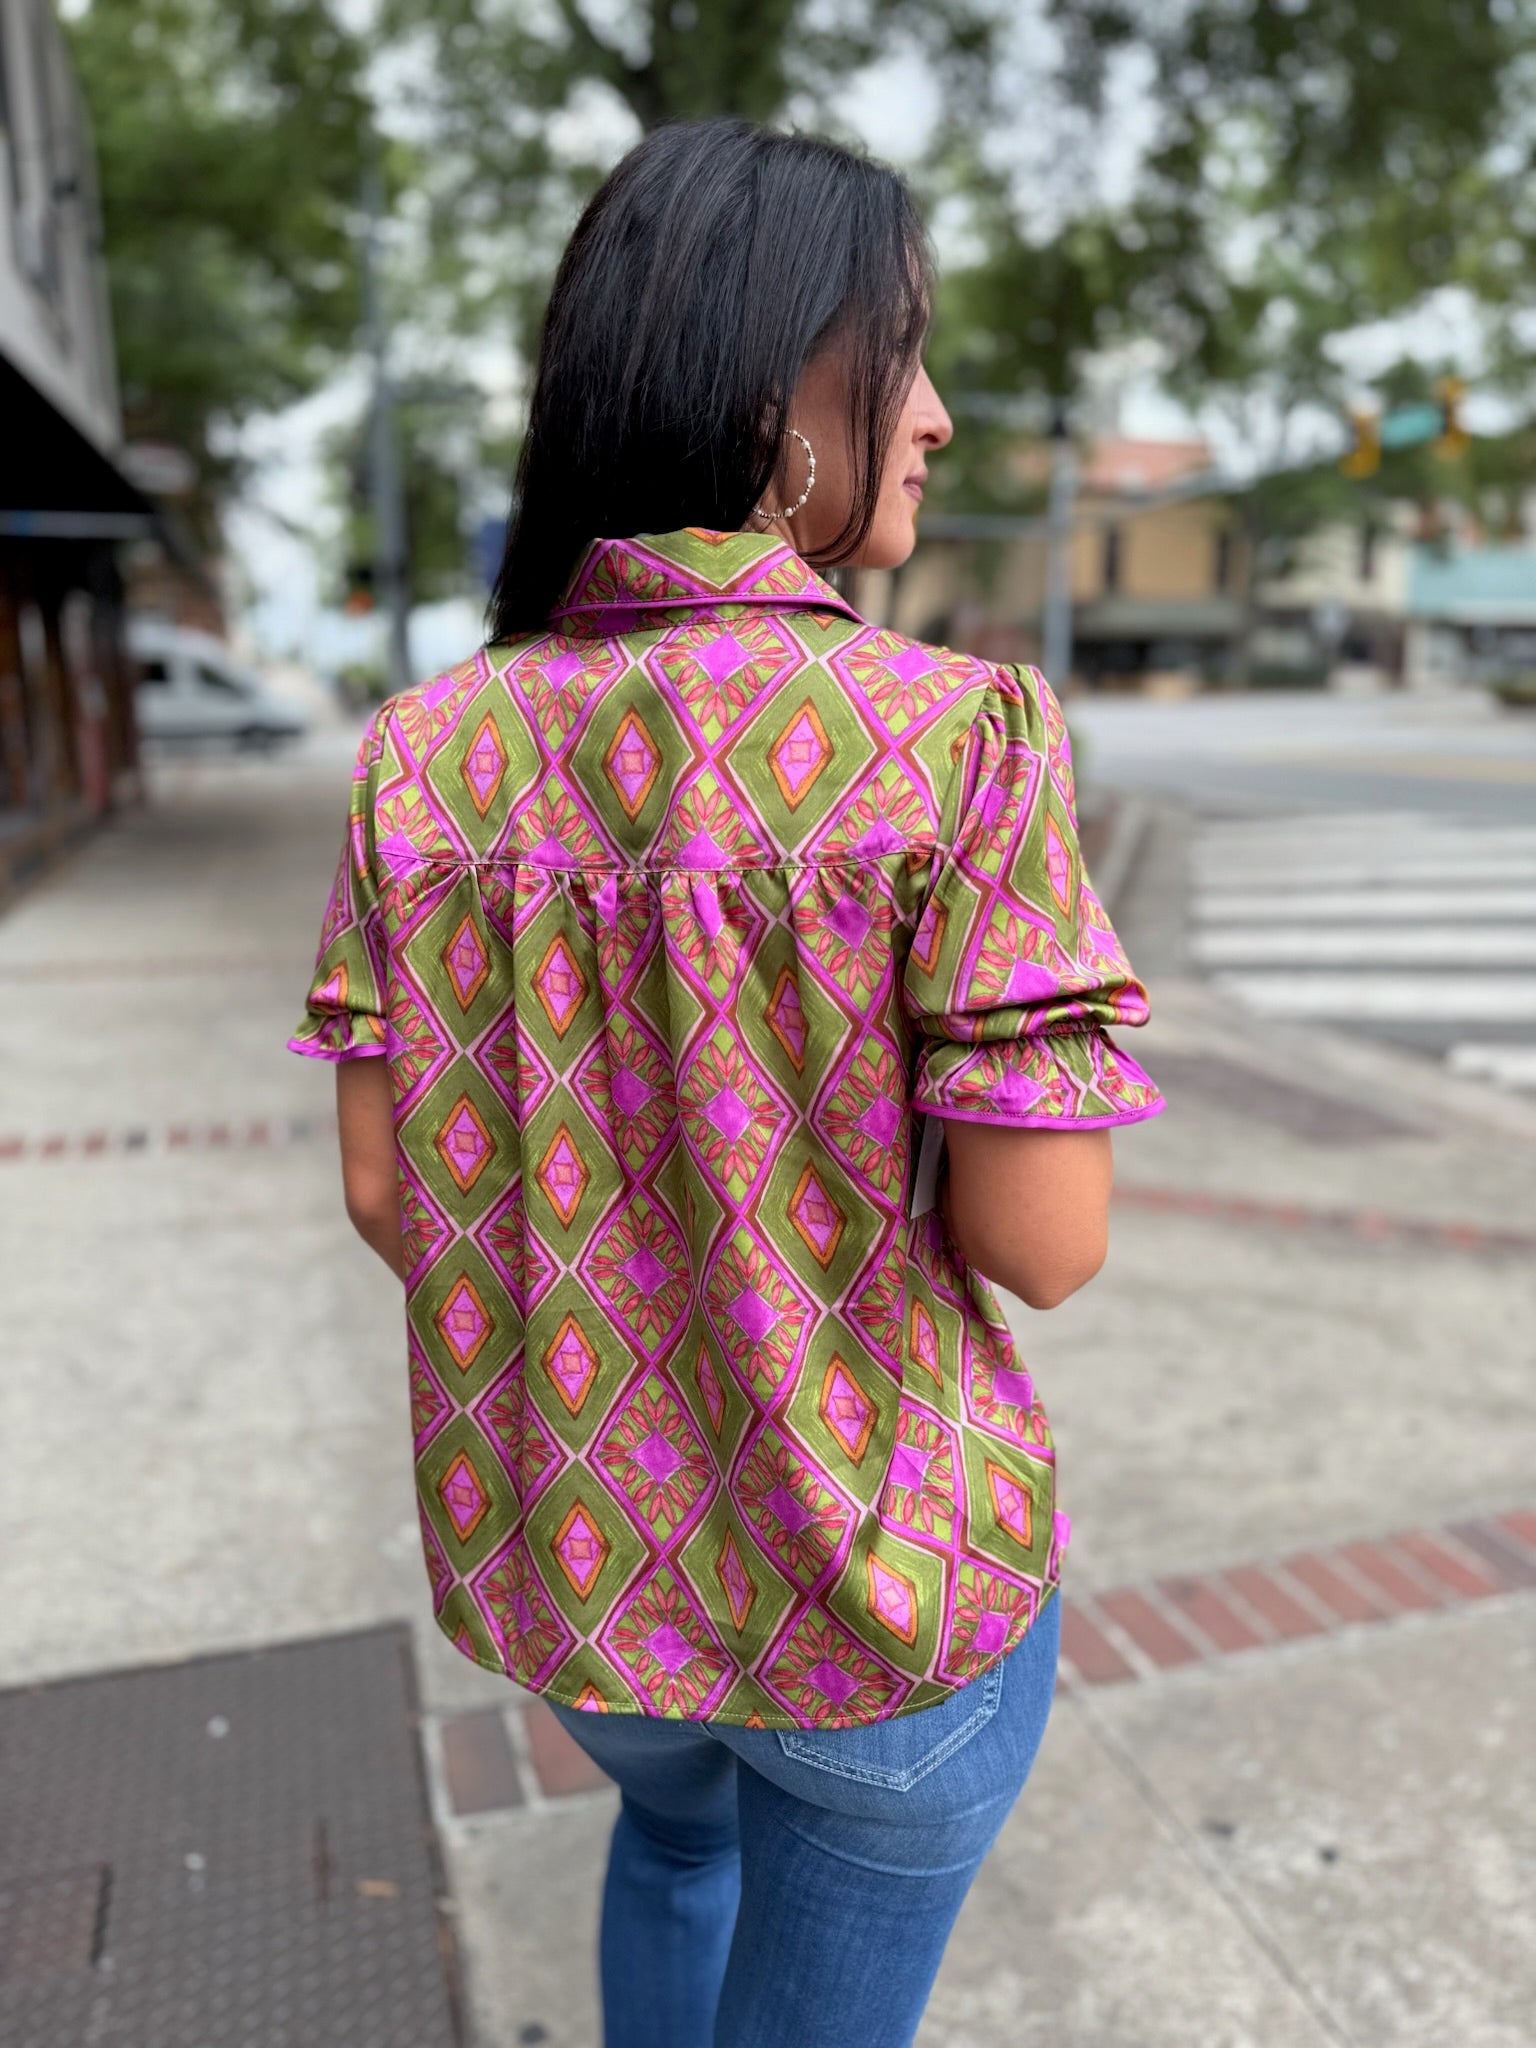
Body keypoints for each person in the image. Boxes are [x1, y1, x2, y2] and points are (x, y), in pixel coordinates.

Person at [290, 116, 1164, 2048]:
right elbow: (1045, 1246)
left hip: (572, 1573)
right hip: (872, 1592)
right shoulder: (961, 736)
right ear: (779, 394)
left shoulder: (423, 751)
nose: (934, 415)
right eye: (905, 353)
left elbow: (384, 1190)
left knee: (675, 1849)